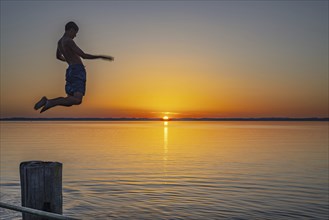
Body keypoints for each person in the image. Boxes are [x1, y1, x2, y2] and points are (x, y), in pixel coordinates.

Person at [34, 21, 114, 113]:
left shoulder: (60, 42)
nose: (75, 36)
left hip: (70, 70)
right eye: (75, 33)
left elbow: (58, 57)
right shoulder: (69, 41)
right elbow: (83, 55)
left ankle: (47, 101)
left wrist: (69, 60)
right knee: (77, 100)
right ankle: (50, 102)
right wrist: (101, 56)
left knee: (70, 100)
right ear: (71, 30)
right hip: (77, 70)